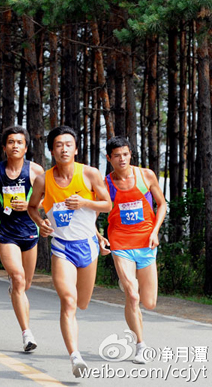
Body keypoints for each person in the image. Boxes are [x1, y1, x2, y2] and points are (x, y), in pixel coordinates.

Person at [28, 126, 112, 378]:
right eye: (58, 145)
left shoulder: (89, 173)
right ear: (52, 150)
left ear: (75, 149)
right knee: (68, 300)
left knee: (82, 303)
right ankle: (75, 356)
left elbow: (107, 205)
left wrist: (85, 202)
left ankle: (75, 349)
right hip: (62, 248)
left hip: (87, 245)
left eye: (68, 144)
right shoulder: (44, 179)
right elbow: (33, 208)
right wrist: (41, 223)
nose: (64, 149)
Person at [0, 126, 44, 351]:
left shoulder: (35, 170)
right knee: (17, 278)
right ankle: (27, 334)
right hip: (6, 232)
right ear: (4, 147)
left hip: (30, 231)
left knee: (25, 284)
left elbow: (48, 198)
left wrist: (31, 205)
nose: (15, 145)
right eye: (10, 142)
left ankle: (15, 291)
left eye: (19, 142)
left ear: (26, 147)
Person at [105, 137, 166, 364]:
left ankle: (127, 281)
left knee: (149, 302)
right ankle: (140, 345)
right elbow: (92, 210)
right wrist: (99, 237)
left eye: (126, 154)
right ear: (109, 158)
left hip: (146, 242)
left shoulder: (145, 175)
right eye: (117, 155)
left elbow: (162, 204)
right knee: (132, 295)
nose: (122, 159)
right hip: (120, 243)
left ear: (131, 154)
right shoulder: (106, 183)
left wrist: (155, 231)